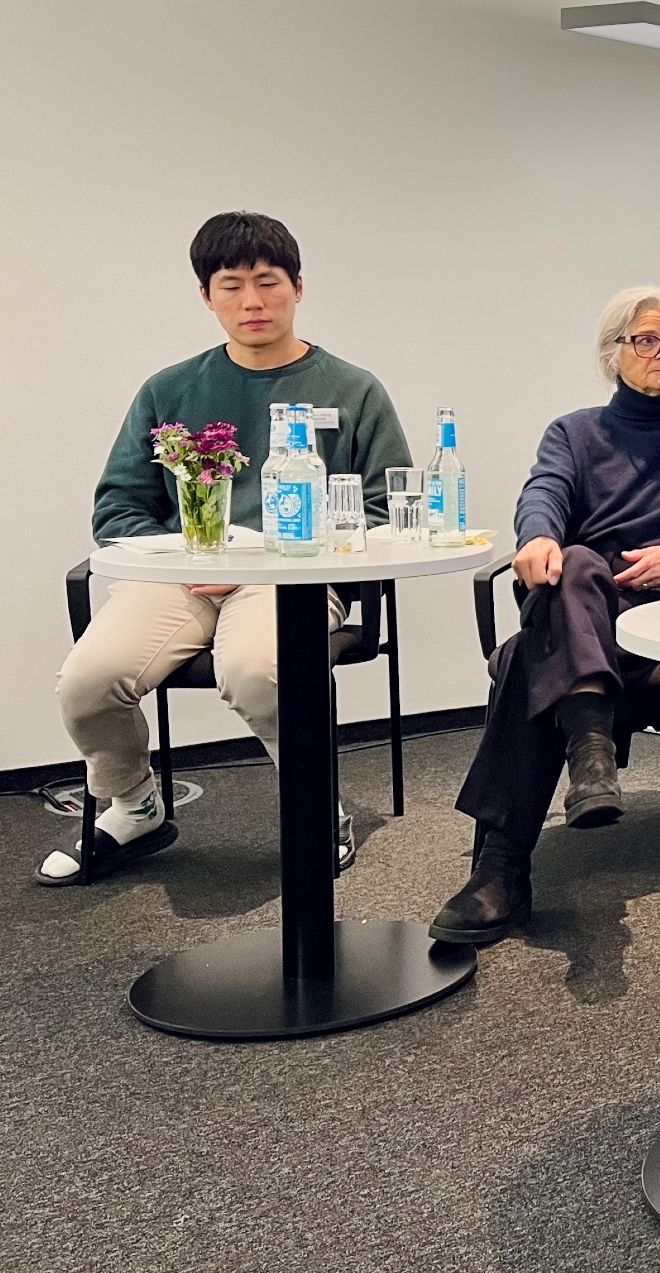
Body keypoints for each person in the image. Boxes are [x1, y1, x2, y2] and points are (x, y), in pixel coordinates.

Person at [42, 212, 412, 885]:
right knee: (87, 681)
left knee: (256, 670)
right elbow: (117, 509)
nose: (252, 302)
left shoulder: (353, 390)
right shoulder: (170, 389)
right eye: (231, 286)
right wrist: (194, 557)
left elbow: (386, 509)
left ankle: (317, 805)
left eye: (268, 282)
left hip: (295, 579)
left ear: (298, 287)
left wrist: (269, 558)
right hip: (183, 577)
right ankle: (134, 805)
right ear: (206, 297)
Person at [428, 287, 660, 945]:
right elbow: (543, 492)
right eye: (648, 340)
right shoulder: (573, 432)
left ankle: (501, 867)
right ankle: (588, 755)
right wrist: (537, 537)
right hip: (587, 605)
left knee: (525, 657)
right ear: (613, 353)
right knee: (575, 562)